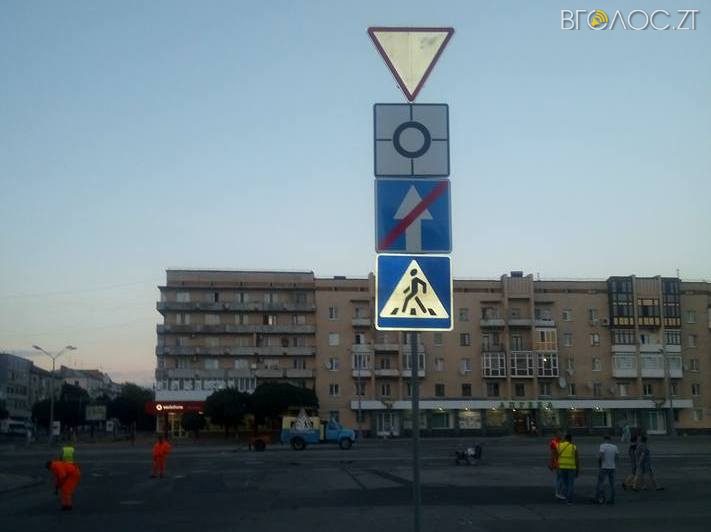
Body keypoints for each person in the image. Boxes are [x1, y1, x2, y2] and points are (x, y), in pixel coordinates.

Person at [595, 434, 619, 504]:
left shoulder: (602, 446)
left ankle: (600, 499)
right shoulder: (615, 447)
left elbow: (601, 456)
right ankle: (612, 499)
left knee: (601, 483)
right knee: (612, 484)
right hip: (612, 467)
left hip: (604, 467)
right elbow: (617, 457)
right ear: (610, 439)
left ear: (604, 439)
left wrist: (598, 458)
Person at [556, 433, 579, 504]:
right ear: (571, 439)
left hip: (562, 467)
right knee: (570, 484)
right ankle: (569, 500)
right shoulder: (573, 447)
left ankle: (564, 496)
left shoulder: (559, 445)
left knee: (564, 483)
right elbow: (577, 459)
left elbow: (556, 457)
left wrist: (557, 468)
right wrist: (577, 469)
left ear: (565, 439)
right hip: (571, 468)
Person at [548, 431, 564, 499]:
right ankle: (558, 492)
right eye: (560, 434)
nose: (561, 436)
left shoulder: (561, 442)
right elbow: (553, 454)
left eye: (561, 434)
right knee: (560, 478)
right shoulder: (554, 443)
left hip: (561, 462)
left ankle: (558, 492)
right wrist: (551, 463)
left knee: (559, 478)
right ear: (556, 435)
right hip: (558, 463)